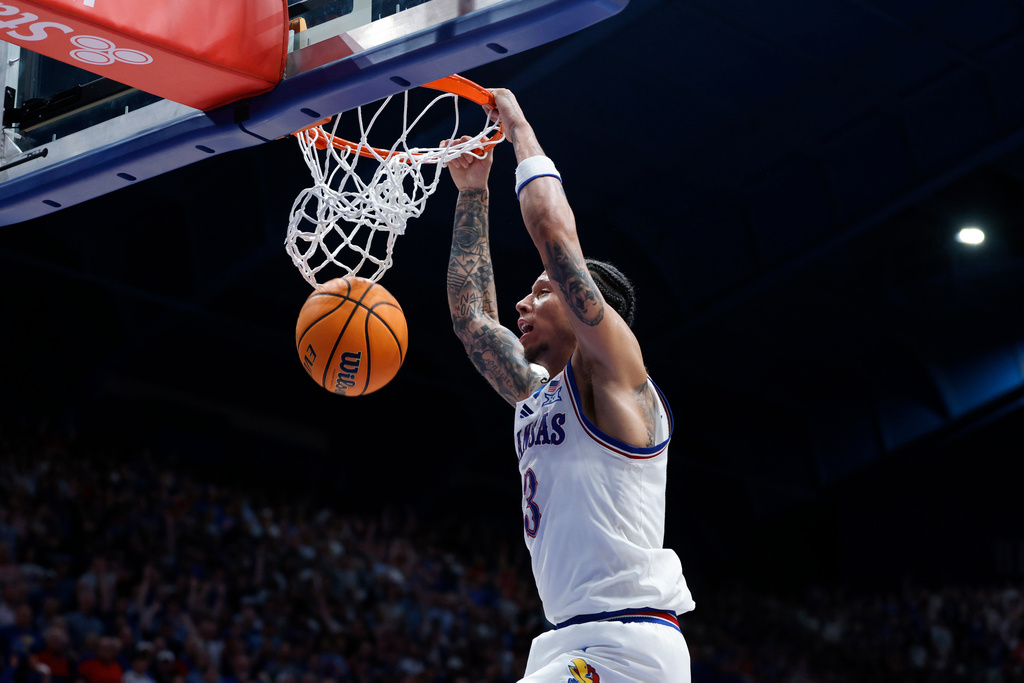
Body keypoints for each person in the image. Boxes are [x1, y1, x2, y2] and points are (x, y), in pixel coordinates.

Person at [443, 89, 695, 681]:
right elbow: (472, 321)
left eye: (541, 291)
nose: (522, 302)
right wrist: (472, 193)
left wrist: (519, 128)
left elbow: (555, 238)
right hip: (570, 640)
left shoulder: (616, 376)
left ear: (587, 308)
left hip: (629, 639)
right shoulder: (535, 391)